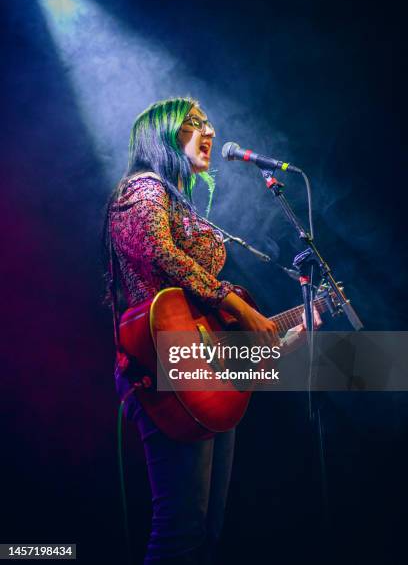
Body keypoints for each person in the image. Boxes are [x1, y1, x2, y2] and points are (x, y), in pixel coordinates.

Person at [105, 97, 311, 564]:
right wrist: (234, 302)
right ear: (162, 136)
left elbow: (207, 324)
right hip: (162, 367)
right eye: (193, 124)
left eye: (208, 122)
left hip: (201, 369)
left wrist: (277, 341)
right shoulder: (142, 189)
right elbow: (161, 253)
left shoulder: (181, 201)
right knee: (181, 532)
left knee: (207, 533)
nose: (210, 131)